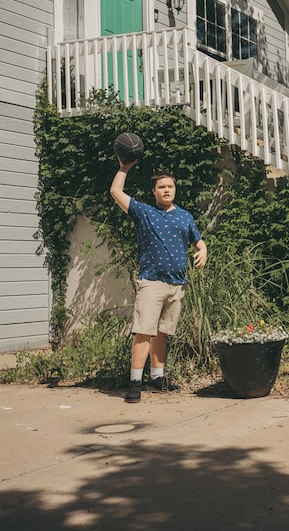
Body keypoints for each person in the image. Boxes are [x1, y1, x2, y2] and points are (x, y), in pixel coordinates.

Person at [110, 157, 207, 403]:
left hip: (177, 284)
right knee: (143, 332)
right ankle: (134, 383)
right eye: (162, 187)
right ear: (154, 191)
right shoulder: (144, 212)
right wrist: (124, 168)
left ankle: (156, 378)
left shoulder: (185, 216)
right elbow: (115, 191)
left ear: (175, 190)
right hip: (151, 282)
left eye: (170, 187)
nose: (166, 190)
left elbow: (198, 240)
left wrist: (202, 249)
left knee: (163, 332)